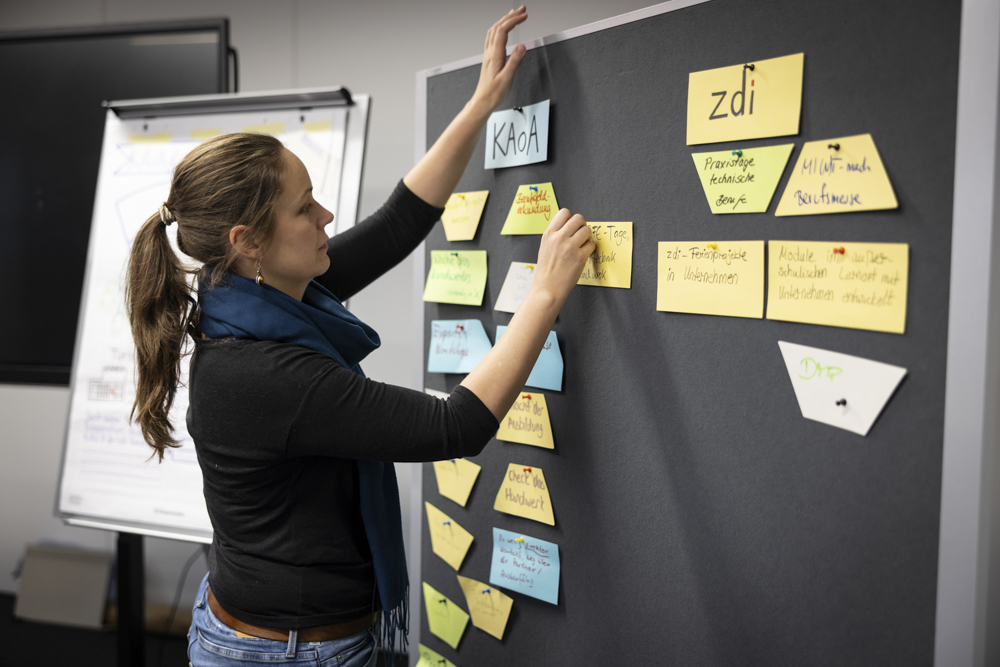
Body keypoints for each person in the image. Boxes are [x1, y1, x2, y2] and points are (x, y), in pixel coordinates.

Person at [126, 6, 593, 666]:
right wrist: (544, 294)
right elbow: (454, 426)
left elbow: (401, 221)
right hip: (285, 651)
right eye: (304, 207)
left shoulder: (253, 295)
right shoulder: (265, 374)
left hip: (274, 626)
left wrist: (484, 100)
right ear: (248, 242)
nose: (326, 215)